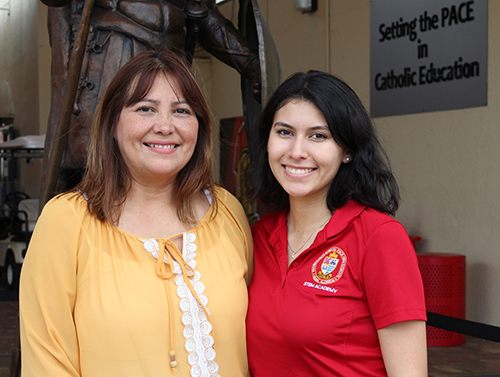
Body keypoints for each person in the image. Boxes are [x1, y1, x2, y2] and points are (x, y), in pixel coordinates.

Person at [20, 49, 253, 377]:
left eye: (181, 110)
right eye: (145, 109)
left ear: (199, 127)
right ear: (112, 123)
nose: (164, 126)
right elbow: (46, 359)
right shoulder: (66, 222)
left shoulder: (227, 212)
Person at [246, 71, 427, 376]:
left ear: (347, 150)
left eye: (319, 135)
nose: (297, 152)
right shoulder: (258, 236)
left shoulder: (379, 238)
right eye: (284, 132)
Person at [40, 0, 261, 193]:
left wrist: (251, 65)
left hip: (171, 61)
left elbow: (204, 15)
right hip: (112, 57)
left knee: (169, 164)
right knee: (100, 168)